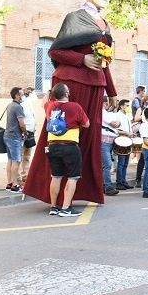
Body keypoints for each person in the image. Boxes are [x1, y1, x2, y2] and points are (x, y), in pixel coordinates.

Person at [25, 0, 117, 206]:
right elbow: (55, 51)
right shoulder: (75, 18)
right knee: (65, 137)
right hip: (73, 84)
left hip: (95, 86)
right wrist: (82, 59)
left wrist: (112, 91)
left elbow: (104, 61)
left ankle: (78, 193)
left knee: (89, 138)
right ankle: (54, 195)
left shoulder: (104, 24)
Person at [43, 83, 90, 216]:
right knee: (73, 177)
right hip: (69, 145)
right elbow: (87, 124)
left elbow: (44, 102)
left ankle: (53, 207)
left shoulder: (49, 106)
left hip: (52, 146)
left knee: (56, 176)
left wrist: (48, 93)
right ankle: (66, 208)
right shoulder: (75, 106)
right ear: (67, 93)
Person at [4, 87, 27, 193]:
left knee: (10, 160)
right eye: (22, 94)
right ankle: (15, 185)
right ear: (17, 95)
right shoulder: (18, 107)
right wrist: (25, 133)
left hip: (8, 136)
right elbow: (22, 124)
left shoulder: (10, 105)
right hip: (15, 138)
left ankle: (9, 183)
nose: (23, 96)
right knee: (16, 161)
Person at [101, 98, 120, 197]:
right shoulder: (103, 113)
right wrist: (116, 123)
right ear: (105, 103)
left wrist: (117, 123)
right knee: (107, 164)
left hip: (109, 141)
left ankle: (104, 186)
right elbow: (115, 124)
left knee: (105, 165)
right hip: (104, 141)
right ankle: (107, 186)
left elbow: (118, 123)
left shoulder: (107, 113)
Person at [113, 99, 134, 190]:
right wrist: (126, 133)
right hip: (121, 141)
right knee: (121, 163)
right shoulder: (117, 115)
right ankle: (119, 182)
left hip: (128, 140)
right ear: (121, 106)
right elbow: (116, 130)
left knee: (125, 163)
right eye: (127, 105)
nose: (128, 107)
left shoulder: (127, 116)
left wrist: (131, 133)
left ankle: (123, 181)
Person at [18, 86, 37, 185]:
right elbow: (21, 120)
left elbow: (31, 118)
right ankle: (17, 177)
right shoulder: (20, 104)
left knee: (27, 156)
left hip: (30, 132)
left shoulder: (29, 103)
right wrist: (24, 132)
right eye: (33, 93)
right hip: (22, 133)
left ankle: (25, 175)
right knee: (19, 156)